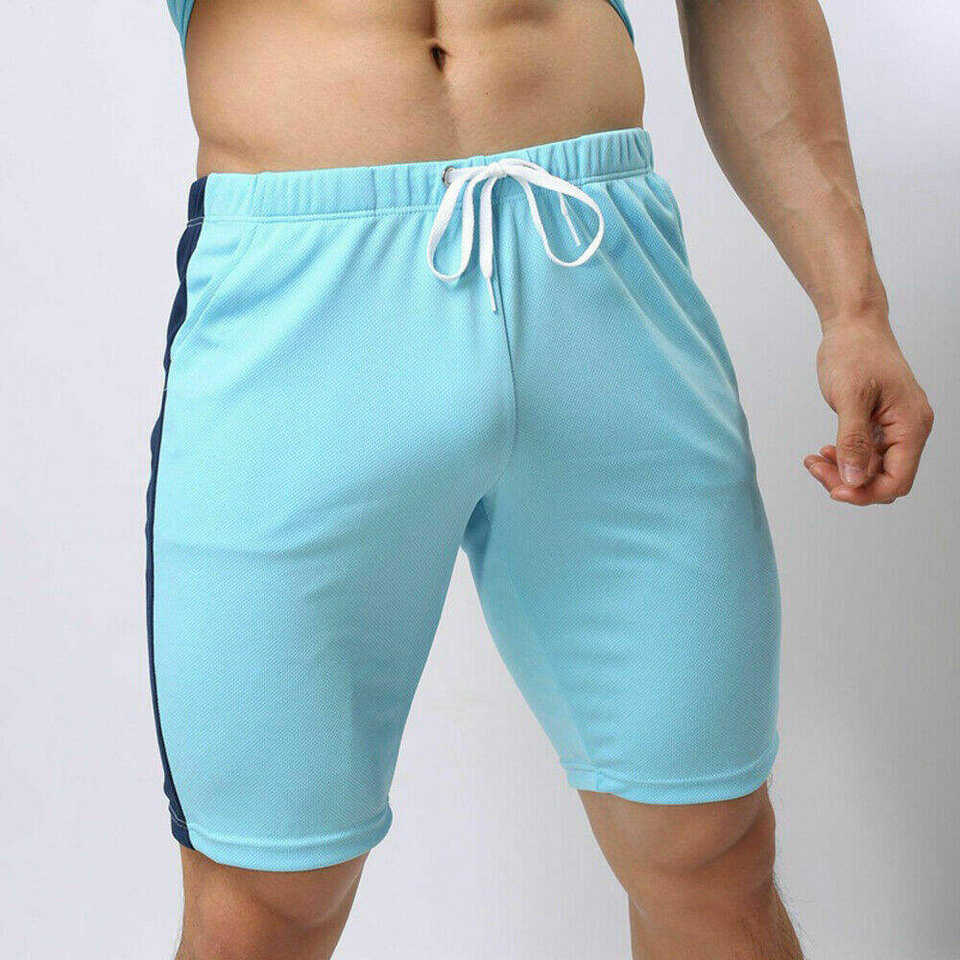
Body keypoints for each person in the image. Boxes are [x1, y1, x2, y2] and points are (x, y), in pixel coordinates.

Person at [146, 1, 933, 958]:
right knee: (260, 902)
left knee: (711, 856)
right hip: (306, 316)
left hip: (601, 276)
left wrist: (853, 307)